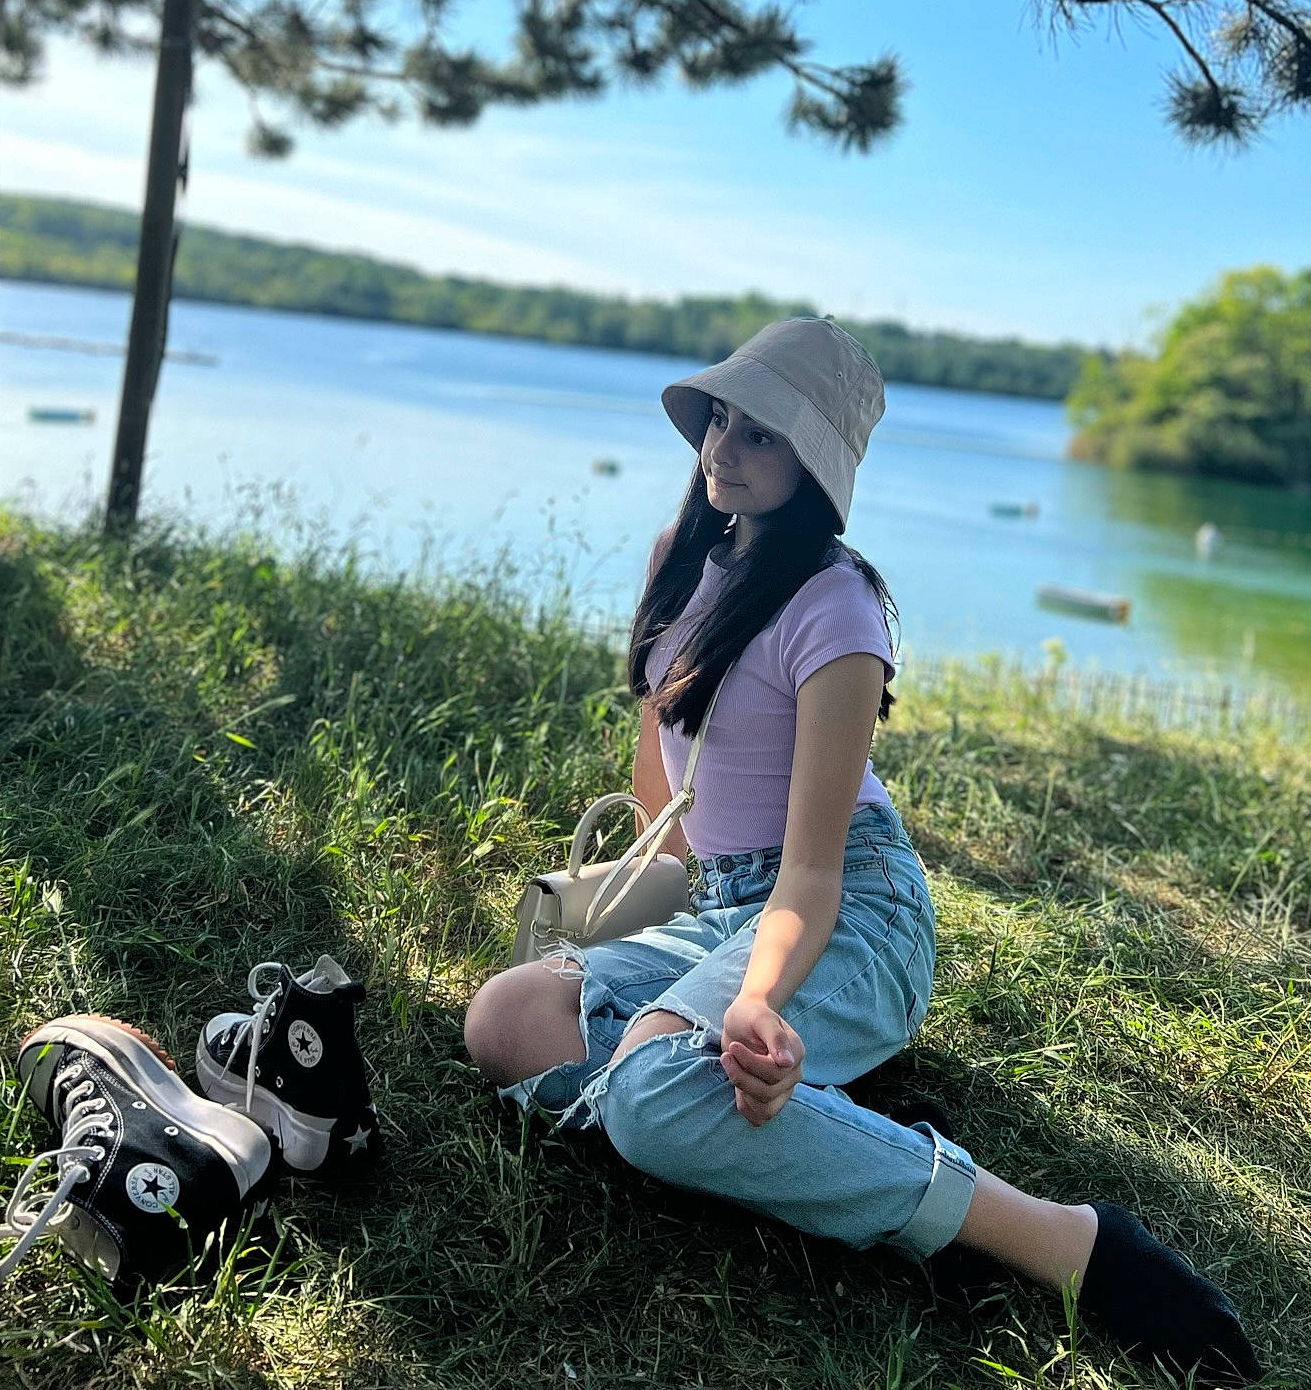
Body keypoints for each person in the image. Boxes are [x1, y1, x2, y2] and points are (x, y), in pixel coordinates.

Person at [464, 318, 1260, 1383]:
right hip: (722, 900)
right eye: (723, 421)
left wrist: (750, 996)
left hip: (853, 912)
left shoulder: (836, 612)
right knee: (506, 1018)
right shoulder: (682, 554)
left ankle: (1055, 1236)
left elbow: (815, 869)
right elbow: (667, 749)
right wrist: (662, 900)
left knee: (656, 1087)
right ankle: (842, 1138)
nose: (723, 450)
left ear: (816, 470)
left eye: (762, 438)